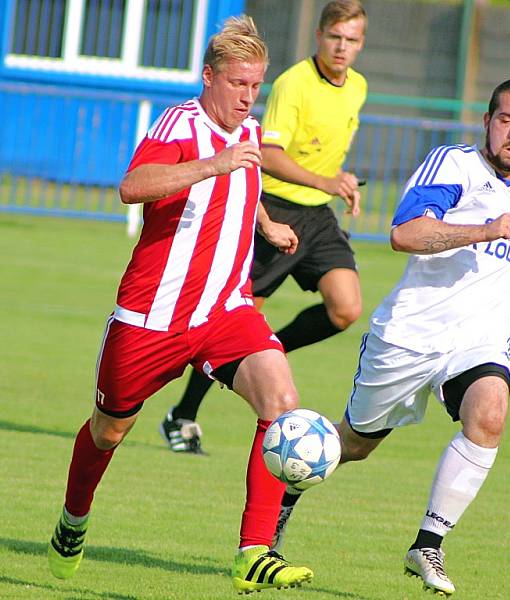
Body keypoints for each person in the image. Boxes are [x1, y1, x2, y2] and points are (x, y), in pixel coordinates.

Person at [47, 16, 315, 594]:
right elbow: (134, 184)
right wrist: (215, 164)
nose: (249, 97)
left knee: (282, 400)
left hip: (225, 311)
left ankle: (254, 551)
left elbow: (238, 184)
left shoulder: (250, 130)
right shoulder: (181, 123)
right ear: (209, 77)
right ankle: (73, 519)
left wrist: (266, 223)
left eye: (256, 85)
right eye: (239, 83)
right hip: (152, 317)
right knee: (108, 432)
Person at [270, 78, 510, 596]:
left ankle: (428, 543)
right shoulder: (454, 166)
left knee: (489, 415)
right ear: (487, 121)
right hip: (410, 334)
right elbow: (404, 234)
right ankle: (284, 495)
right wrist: (482, 229)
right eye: (506, 120)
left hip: (481, 337)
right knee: (354, 444)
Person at [160, 0, 368, 454]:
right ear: (319, 36)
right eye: (335, 37)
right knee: (229, 320)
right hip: (271, 208)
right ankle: (183, 415)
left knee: (346, 308)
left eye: (351, 40)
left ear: (361, 44)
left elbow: (322, 153)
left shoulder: (357, 88)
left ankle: (269, 351)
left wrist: (340, 183)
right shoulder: (295, 83)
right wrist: (325, 181)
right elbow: (268, 154)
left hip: (318, 217)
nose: (342, 47)